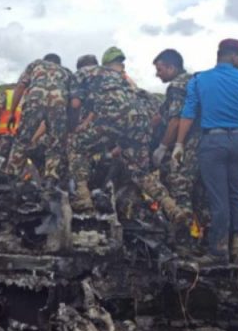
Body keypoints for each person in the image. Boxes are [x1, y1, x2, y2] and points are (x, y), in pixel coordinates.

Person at [174, 39, 238, 265]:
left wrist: (179, 144)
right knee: (235, 197)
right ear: (231, 56)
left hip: (213, 141)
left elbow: (189, 113)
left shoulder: (200, 80)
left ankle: (219, 251)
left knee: (218, 198)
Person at [68, 63, 183, 222]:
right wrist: (121, 146)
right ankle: (171, 207)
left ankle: (83, 199)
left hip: (115, 115)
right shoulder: (114, 76)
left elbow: (75, 104)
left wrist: (73, 129)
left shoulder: (79, 75)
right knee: (139, 172)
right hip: (140, 118)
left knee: (76, 145)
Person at [152, 49, 206, 255]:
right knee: (201, 195)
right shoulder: (195, 82)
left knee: (179, 190)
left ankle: (184, 243)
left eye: (160, 69)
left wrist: (163, 146)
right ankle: (207, 243)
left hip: (185, 148)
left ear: (172, 67)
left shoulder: (176, 86)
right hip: (204, 147)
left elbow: (175, 120)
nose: (158, 74)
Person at [4, 59, 73, 186]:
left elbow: (20, 86)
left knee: (22, 140)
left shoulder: (35, 64)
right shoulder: (66, 72)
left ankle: (11, 177)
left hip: (35, 100)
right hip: (59, 103)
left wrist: (12, 112)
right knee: (55, 144)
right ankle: (50, 180)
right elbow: (73, 99)